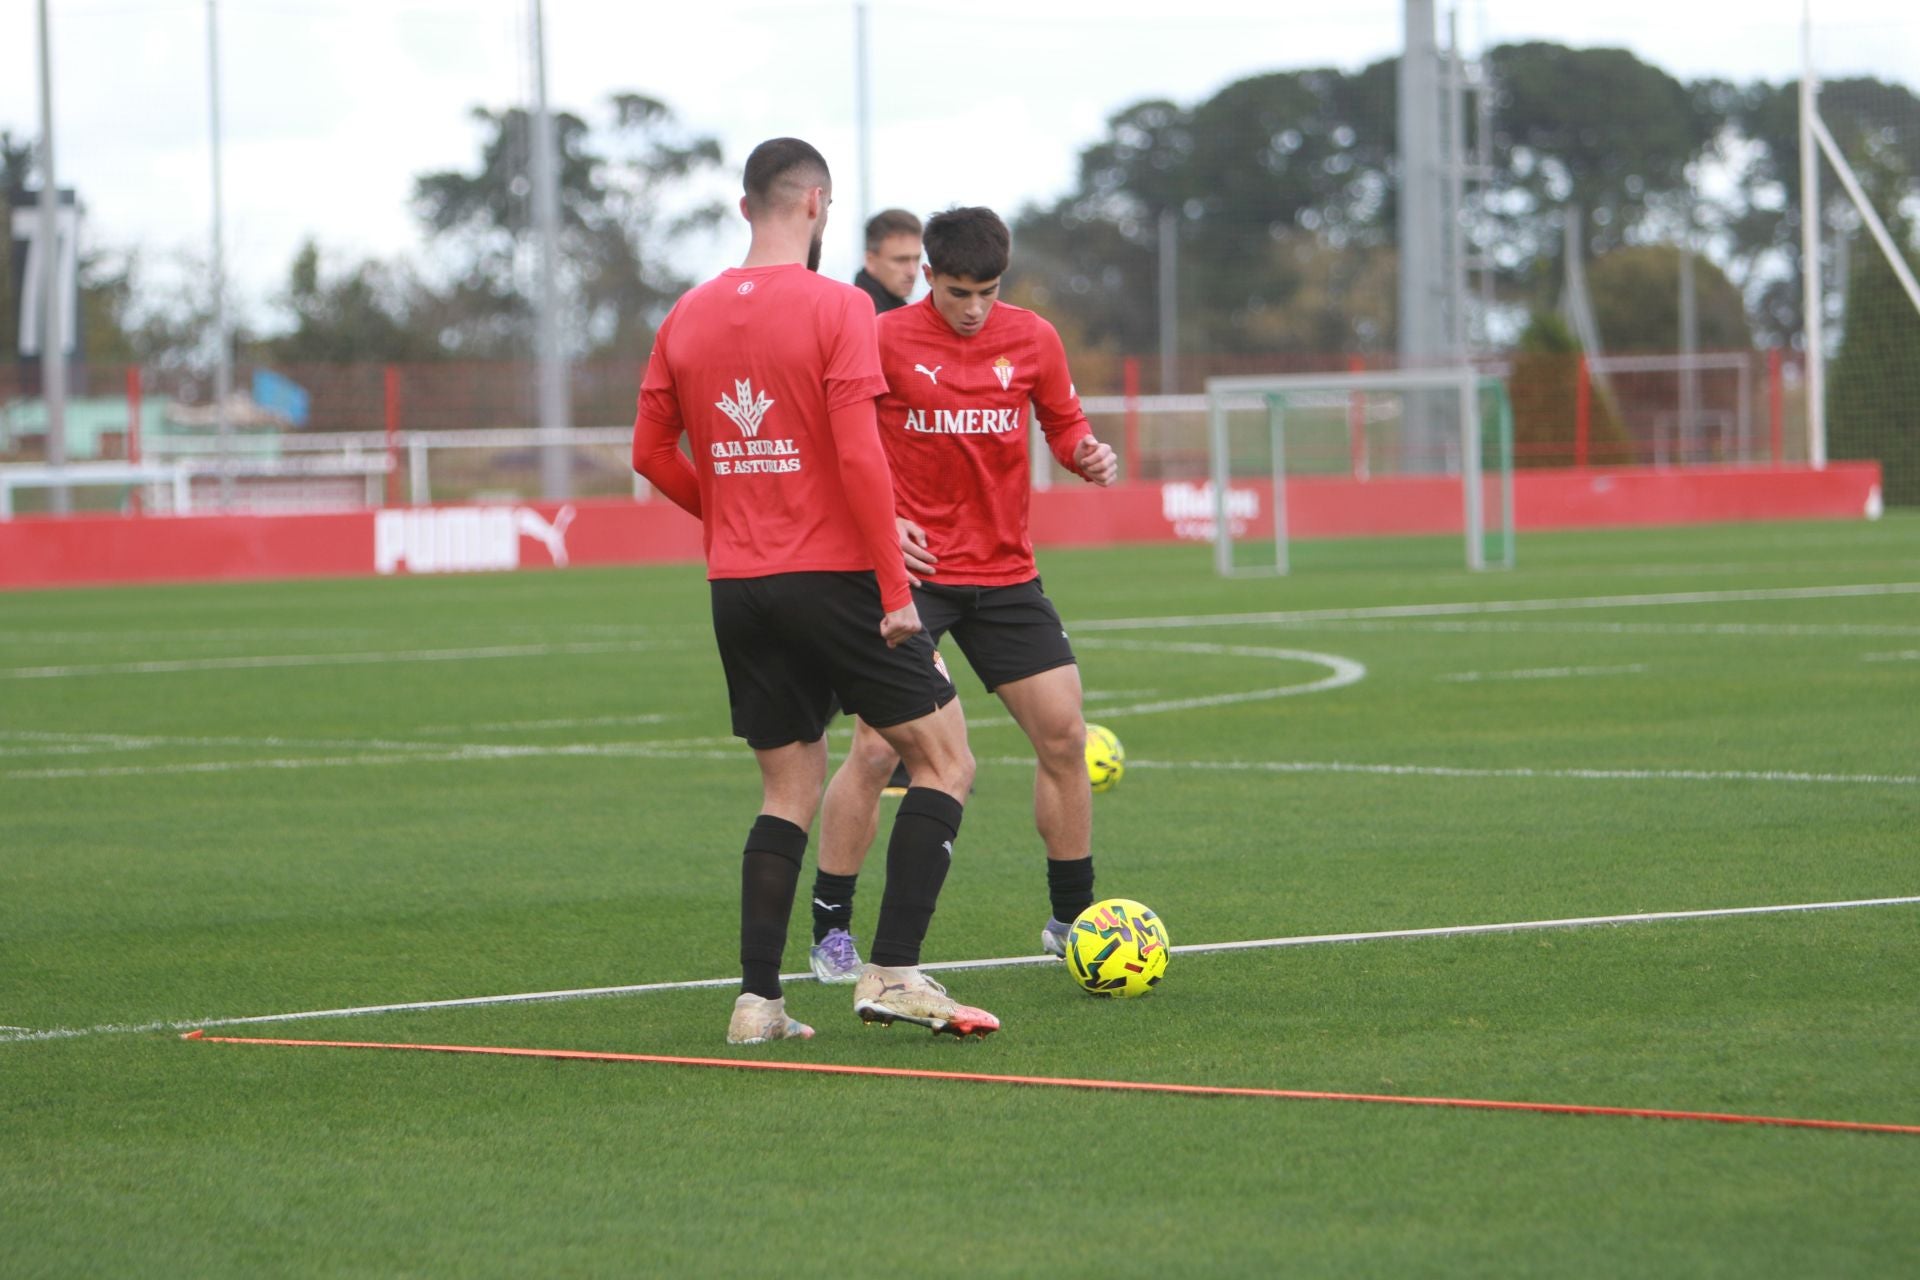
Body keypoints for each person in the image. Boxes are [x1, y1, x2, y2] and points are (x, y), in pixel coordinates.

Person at [631, 140, 998, 1044]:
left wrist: (732, 516)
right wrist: (895, 588)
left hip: (739, 585)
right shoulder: (839, 306)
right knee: (946, 761)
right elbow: (860, 455)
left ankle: (758, 1003)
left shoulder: (686, 314)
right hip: (833, 579)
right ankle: (894, 973)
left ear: (745, 206)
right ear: (816, 204)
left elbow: (649, 454)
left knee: (786, 789)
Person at [805, 205, 1120, 985]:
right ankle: (832, 928)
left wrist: (1084, 453)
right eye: (957, 292)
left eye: (988, 292)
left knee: (1064, 736)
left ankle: (1071, 922)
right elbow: (834, 446)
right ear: (927, 277)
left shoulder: (1034, 338)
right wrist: (886, 521)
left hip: (1007, 576)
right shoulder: (882, 338)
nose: (974, 308)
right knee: (878, 749)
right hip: (913, 578)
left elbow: (1063, 423)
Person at [853, 208, 922, 315]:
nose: (912, 272)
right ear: (871, 261)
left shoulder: (897, 311)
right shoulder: (859, 316)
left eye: (916, 259)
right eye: (900, 260)